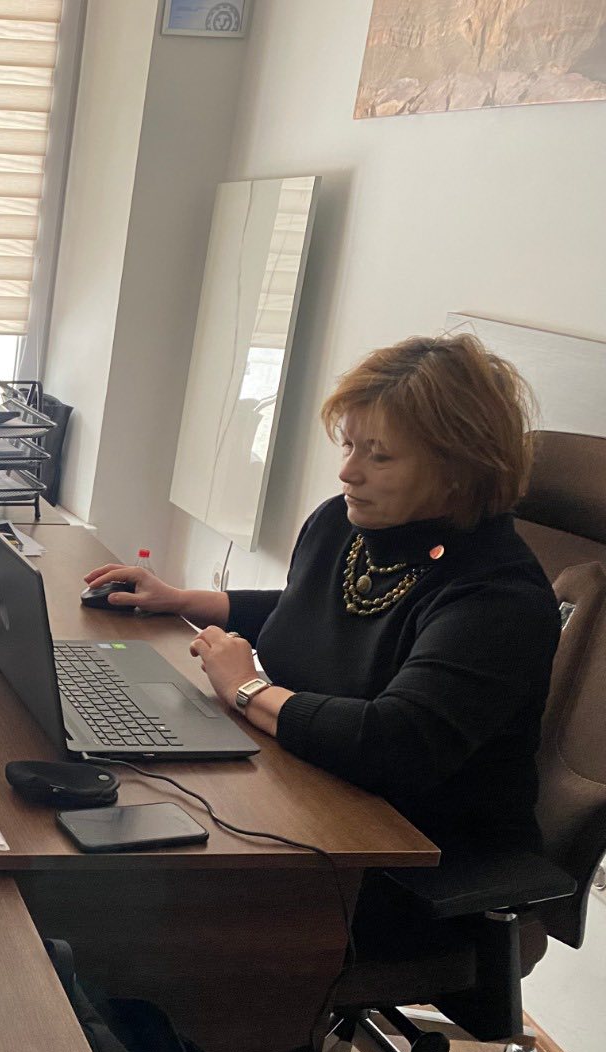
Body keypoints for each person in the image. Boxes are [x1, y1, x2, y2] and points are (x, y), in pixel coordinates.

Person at [84, 334, 559, 863]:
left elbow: (391, 745)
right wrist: (180, 600)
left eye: (379, 456)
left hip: (415, 856)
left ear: (458, 471)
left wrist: (245, 689)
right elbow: (308, 612)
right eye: (348, 445)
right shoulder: (342, 522)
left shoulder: (499, 598)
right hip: (306, 790)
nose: (348, 471)